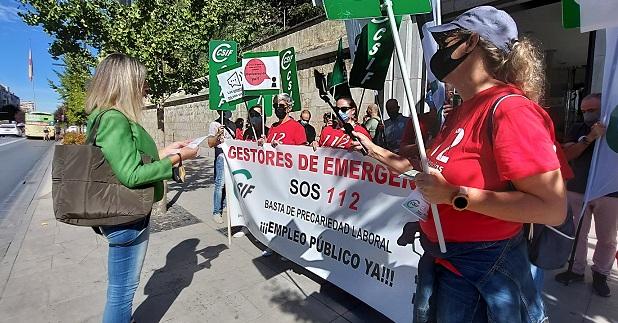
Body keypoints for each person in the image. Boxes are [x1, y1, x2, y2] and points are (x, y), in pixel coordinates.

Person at [351, 6, 566, 322]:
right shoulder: (461, 111)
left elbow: (552, 208)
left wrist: (454, 196)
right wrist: (374, 152)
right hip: (444, 260)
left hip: (483, 271)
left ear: (471, 42)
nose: (439, 49)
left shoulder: (511, 110)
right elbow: (431, 176)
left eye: (446, 40)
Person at [84, 53, 199, 323]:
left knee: (121, 290)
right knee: (121, 294)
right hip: (126, 216)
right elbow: (132, 174)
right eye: (141, 83)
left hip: (125, 213)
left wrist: (165, 151)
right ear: (125, 83)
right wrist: (177, 159)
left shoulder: (107, 116)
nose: (145, 88)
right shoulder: (114, 118)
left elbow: (127, 159)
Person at [555, 93, 617, 297]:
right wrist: (590, 138)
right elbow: (568, 154)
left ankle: (601, 274)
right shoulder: (578, 129)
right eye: (584, 111)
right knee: (577, 234)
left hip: (609, 192)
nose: (587, 115)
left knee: (606, 238)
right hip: (578, 189)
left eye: (592, 110)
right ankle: (576, 269)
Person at [207, 110, 236, 224]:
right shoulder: (214, 125)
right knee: (220, 184)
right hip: (221, 158)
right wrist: (218, 134)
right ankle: (216, 212)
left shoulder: (232, 125)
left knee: (229, 184)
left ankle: (225, 206)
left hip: (231, 158)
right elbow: (210, 143)